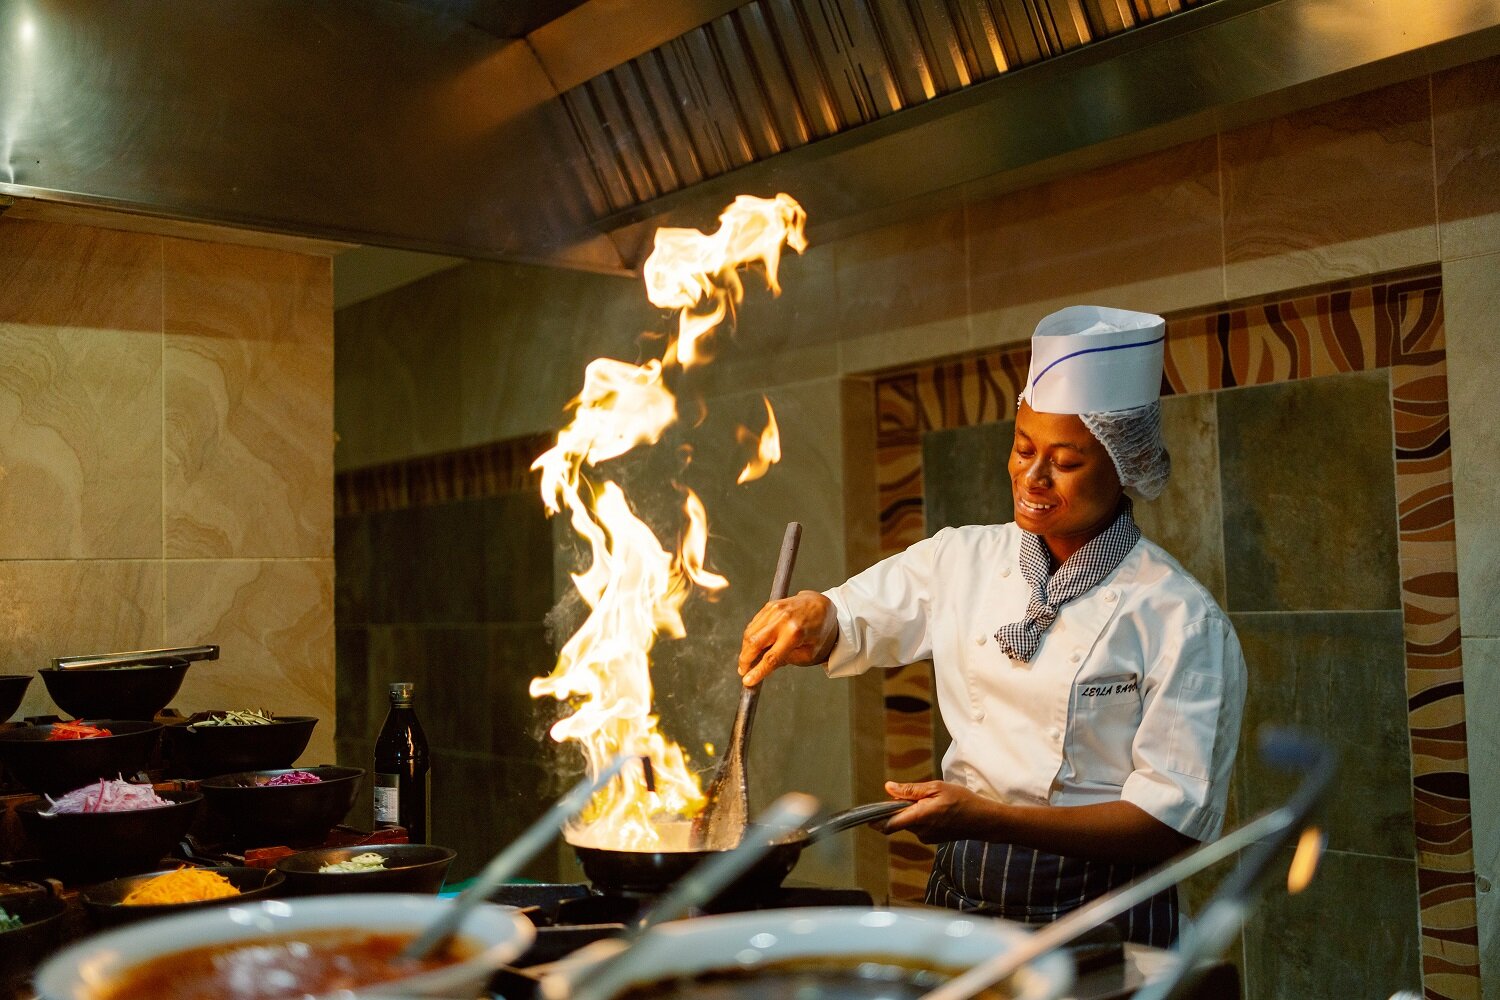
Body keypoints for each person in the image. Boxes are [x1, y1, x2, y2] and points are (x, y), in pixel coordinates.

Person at [737, 305, 1247, 947]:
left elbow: (1168, 823)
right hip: (962, 894)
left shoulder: (1179, 617)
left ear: (1123, 468)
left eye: (1065, 460)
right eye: (1024, 448)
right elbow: (852, 615)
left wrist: (990, 818)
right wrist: (814, 612)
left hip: (1104, 914)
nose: (1032, 477)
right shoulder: (964, 557)